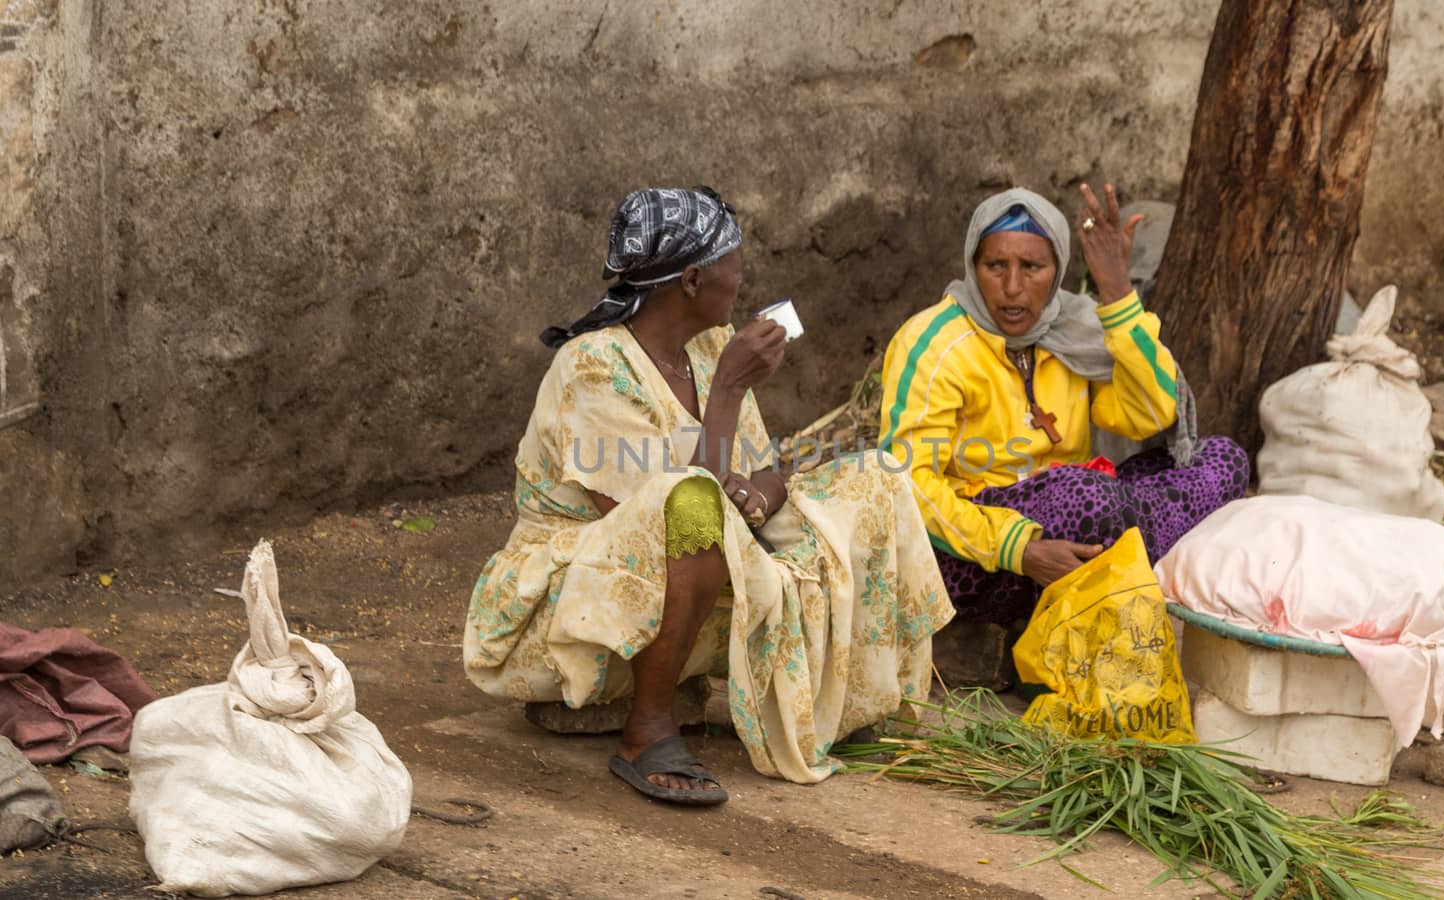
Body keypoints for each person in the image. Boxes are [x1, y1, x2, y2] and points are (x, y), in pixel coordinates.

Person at [464, 186, 953, 806]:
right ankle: (647, 729)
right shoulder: (591, 365)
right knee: (692, 505)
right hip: (577, 609)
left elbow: (763, 472)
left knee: (875, 477)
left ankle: (858, 702)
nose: (741, 278)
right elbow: (656, 517)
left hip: (697, 574)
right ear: (693, 280)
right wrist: (726, 394)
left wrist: (757, 496)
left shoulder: (707, 350)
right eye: (733, 264)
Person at [878, 185, 1249, 627]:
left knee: (1223, 459)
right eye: (996, 266)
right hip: (971, 559)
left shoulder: (1075, 329)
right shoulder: (933, 344)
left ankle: (1115, 558)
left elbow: (1152, 413)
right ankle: (1128, 565)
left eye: (1032, 267)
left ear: (1056, 272)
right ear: (973, 267)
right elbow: (908, 486)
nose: (1013, 287)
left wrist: (1117, 292)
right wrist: (1019, 548)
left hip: (1080, 520)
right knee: (1088, 497)